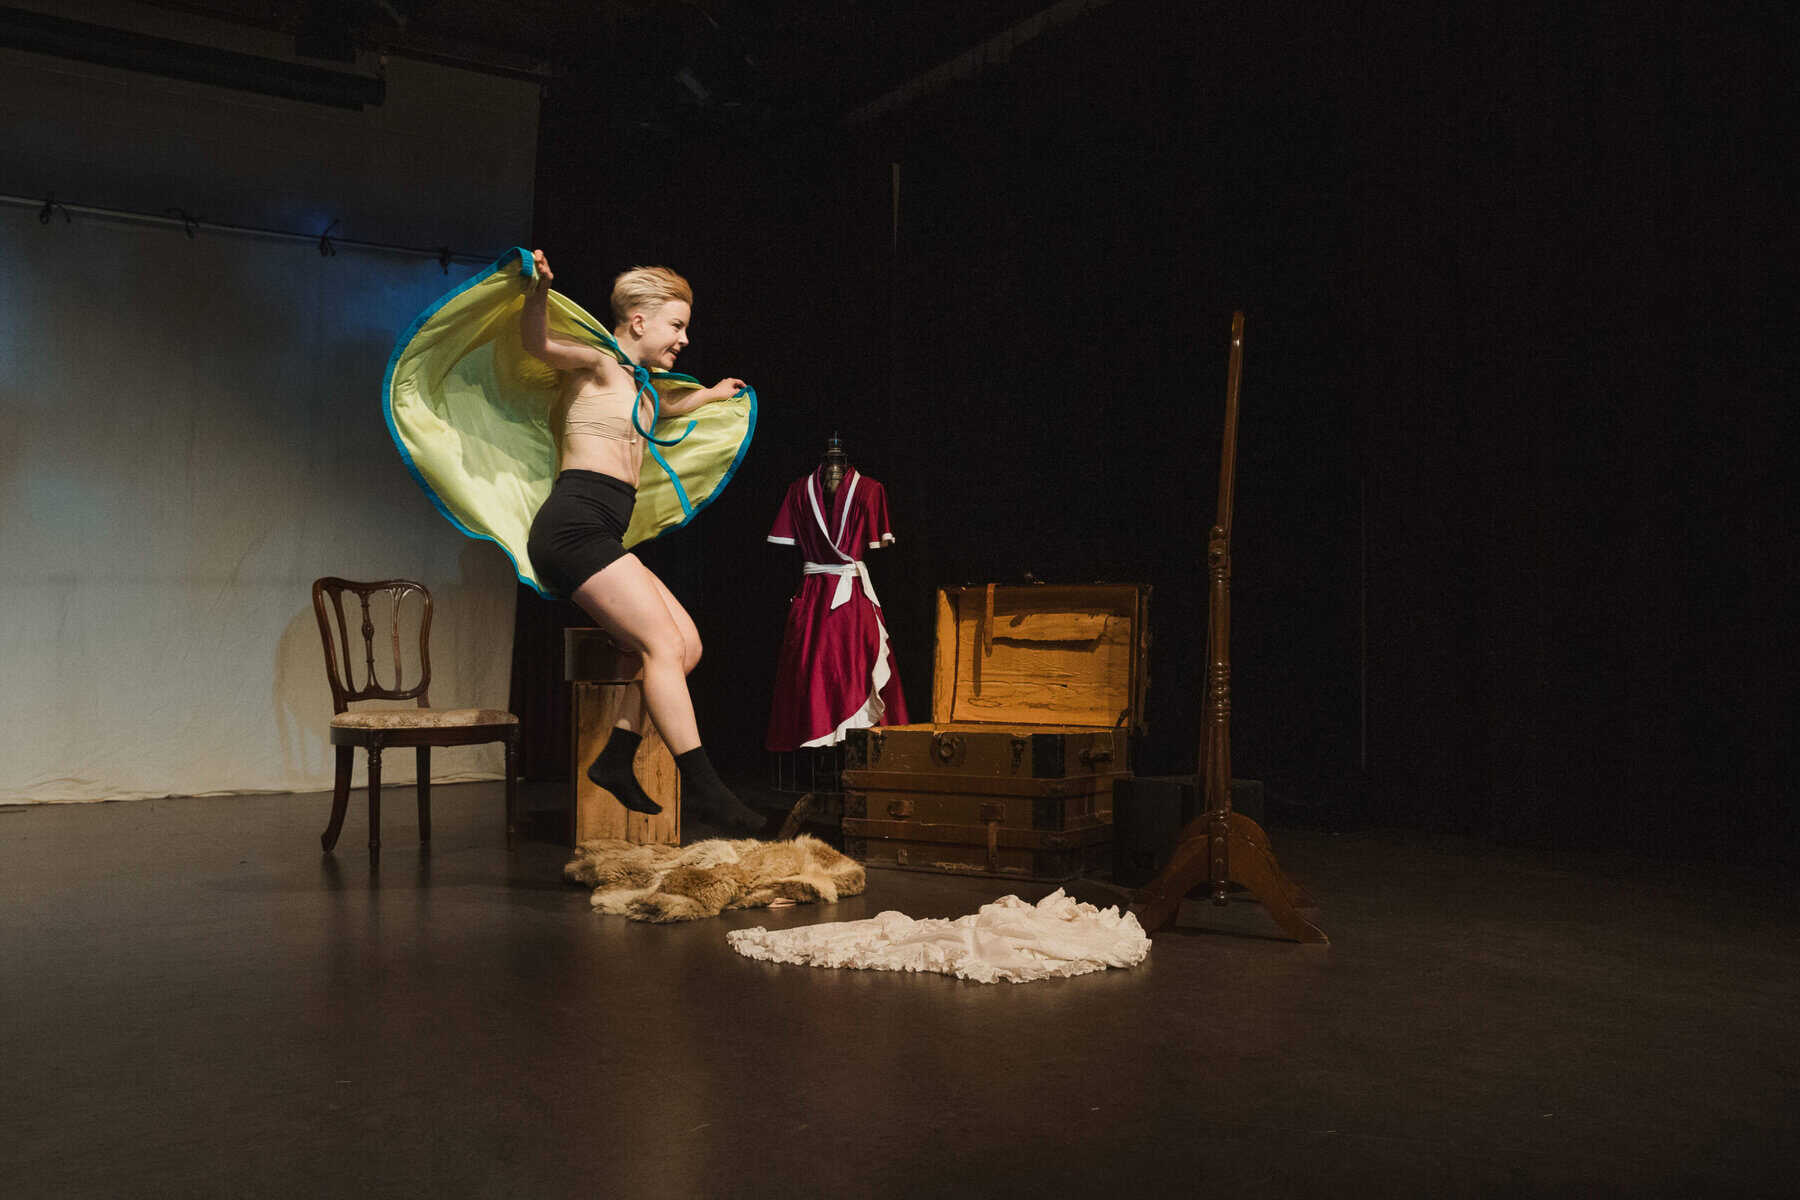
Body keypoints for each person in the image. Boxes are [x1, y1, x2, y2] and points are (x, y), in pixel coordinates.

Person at [520, 250, 762, 834]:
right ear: (638, 322)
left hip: (600, 531)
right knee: (660, 643)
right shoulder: (600, 364)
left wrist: (710, 395)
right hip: (571, 527)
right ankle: (707, 791)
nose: (684, 338)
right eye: (676, 325)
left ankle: (616, 757)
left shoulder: (645, 391)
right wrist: (538, 291)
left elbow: (669, 409)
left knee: (686, 646)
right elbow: (538, 344)